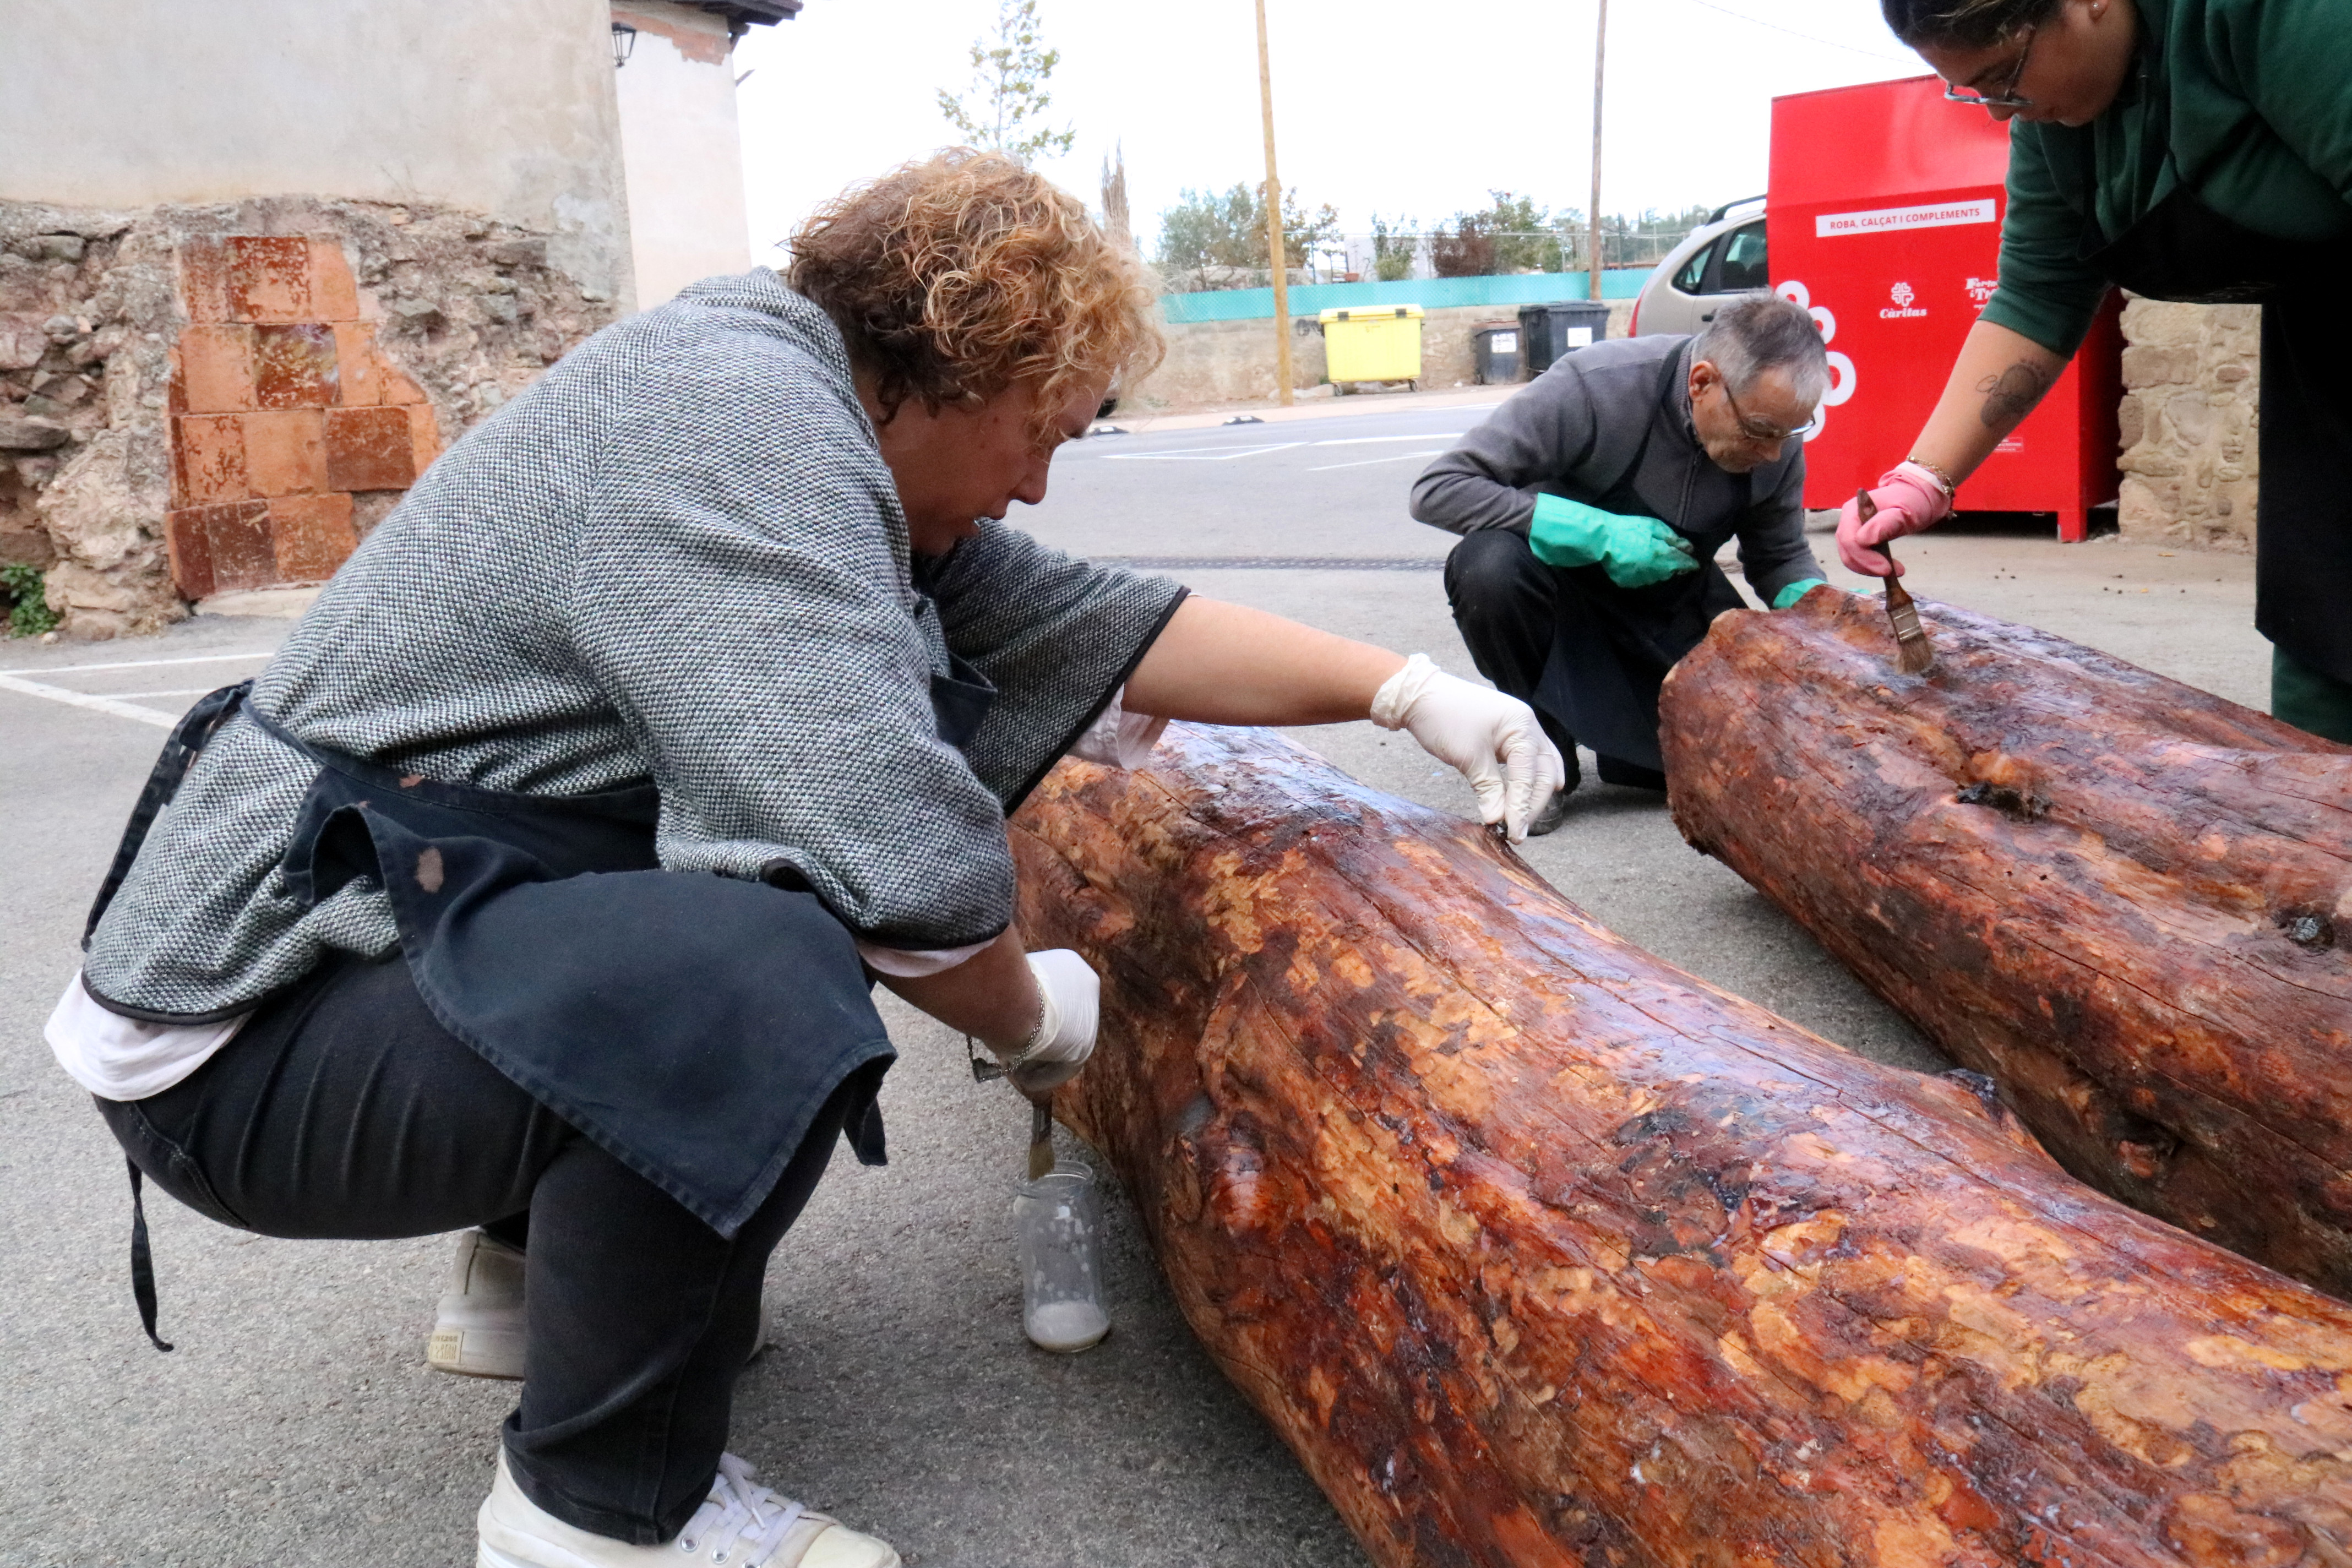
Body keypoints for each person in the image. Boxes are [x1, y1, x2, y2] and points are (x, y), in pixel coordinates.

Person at [48, 151, 1562, 1568]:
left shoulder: (804, 411)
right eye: (1045, 431)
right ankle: (599, 1511)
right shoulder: (739, 430)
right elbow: (874, 849)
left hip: (338, 967)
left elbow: (1104, 624)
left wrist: (1409, 689)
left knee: (692, 906)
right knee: (763, 954)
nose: (1039, 483)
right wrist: (1028, 1017)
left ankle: (523, 1284)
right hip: (243, 1048)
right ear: (955, 373)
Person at [1846, 0, 2352, 743]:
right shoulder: (2053, 126)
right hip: (2320, 370)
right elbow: (2037, 295)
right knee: (2327, 665)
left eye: (2004, 77)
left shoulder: (2267, 14)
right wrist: (1925, 478)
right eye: (1972, 92)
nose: (1997, 113)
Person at [1411, 293, 1832, 835]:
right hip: (1559, 596)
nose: (1774, 453)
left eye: (1788, 433)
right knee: (1488, 567)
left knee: (1741, 765)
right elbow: (1439, 489)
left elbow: (1778, 555)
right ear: (1702, 383)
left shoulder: (1773, 435)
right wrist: (1594, 533)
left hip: (1671, 610)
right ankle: (1545, 754)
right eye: (1760, 432)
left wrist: (1823, 613)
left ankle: (1635, 751)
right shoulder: (1598, 386)